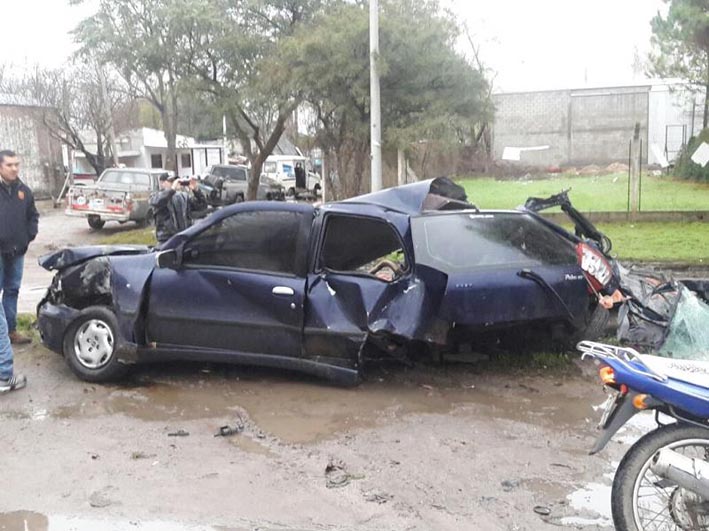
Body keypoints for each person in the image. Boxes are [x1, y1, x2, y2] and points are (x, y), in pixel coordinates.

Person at [0, 150, 38, 347]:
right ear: (0, 167)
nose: (14, 168)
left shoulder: (24, 190)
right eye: (10, 165)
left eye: (17, 164)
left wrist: (28, 236)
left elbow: (33, 215)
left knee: (12, 290)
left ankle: (10, 331)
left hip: (17, 251)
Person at [150, 174, 207, 244]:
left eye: (175, 181)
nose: (174, 183)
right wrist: (172, 189)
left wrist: (196, 190)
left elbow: (202, 206)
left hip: (183, 236)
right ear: (162, 183)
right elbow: (158, 201)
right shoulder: (156, 196)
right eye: (171, 181)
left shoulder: (183, 196)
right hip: (166, 239)